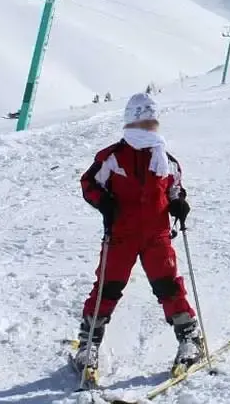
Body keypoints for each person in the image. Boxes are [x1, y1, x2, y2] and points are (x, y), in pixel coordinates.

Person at [73, 94, 201, 379]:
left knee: (168, 287)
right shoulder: (112, 157)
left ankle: (189, 338)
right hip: (121, 235)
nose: (149, 128)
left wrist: (178, 203)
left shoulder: (166, 160)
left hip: (156, 235)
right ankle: (88, 344)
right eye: (143, 122)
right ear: (131, 122)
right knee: (107, 287)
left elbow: (174, 189)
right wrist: (104, 203)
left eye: (152, 122)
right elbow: (89, 183)